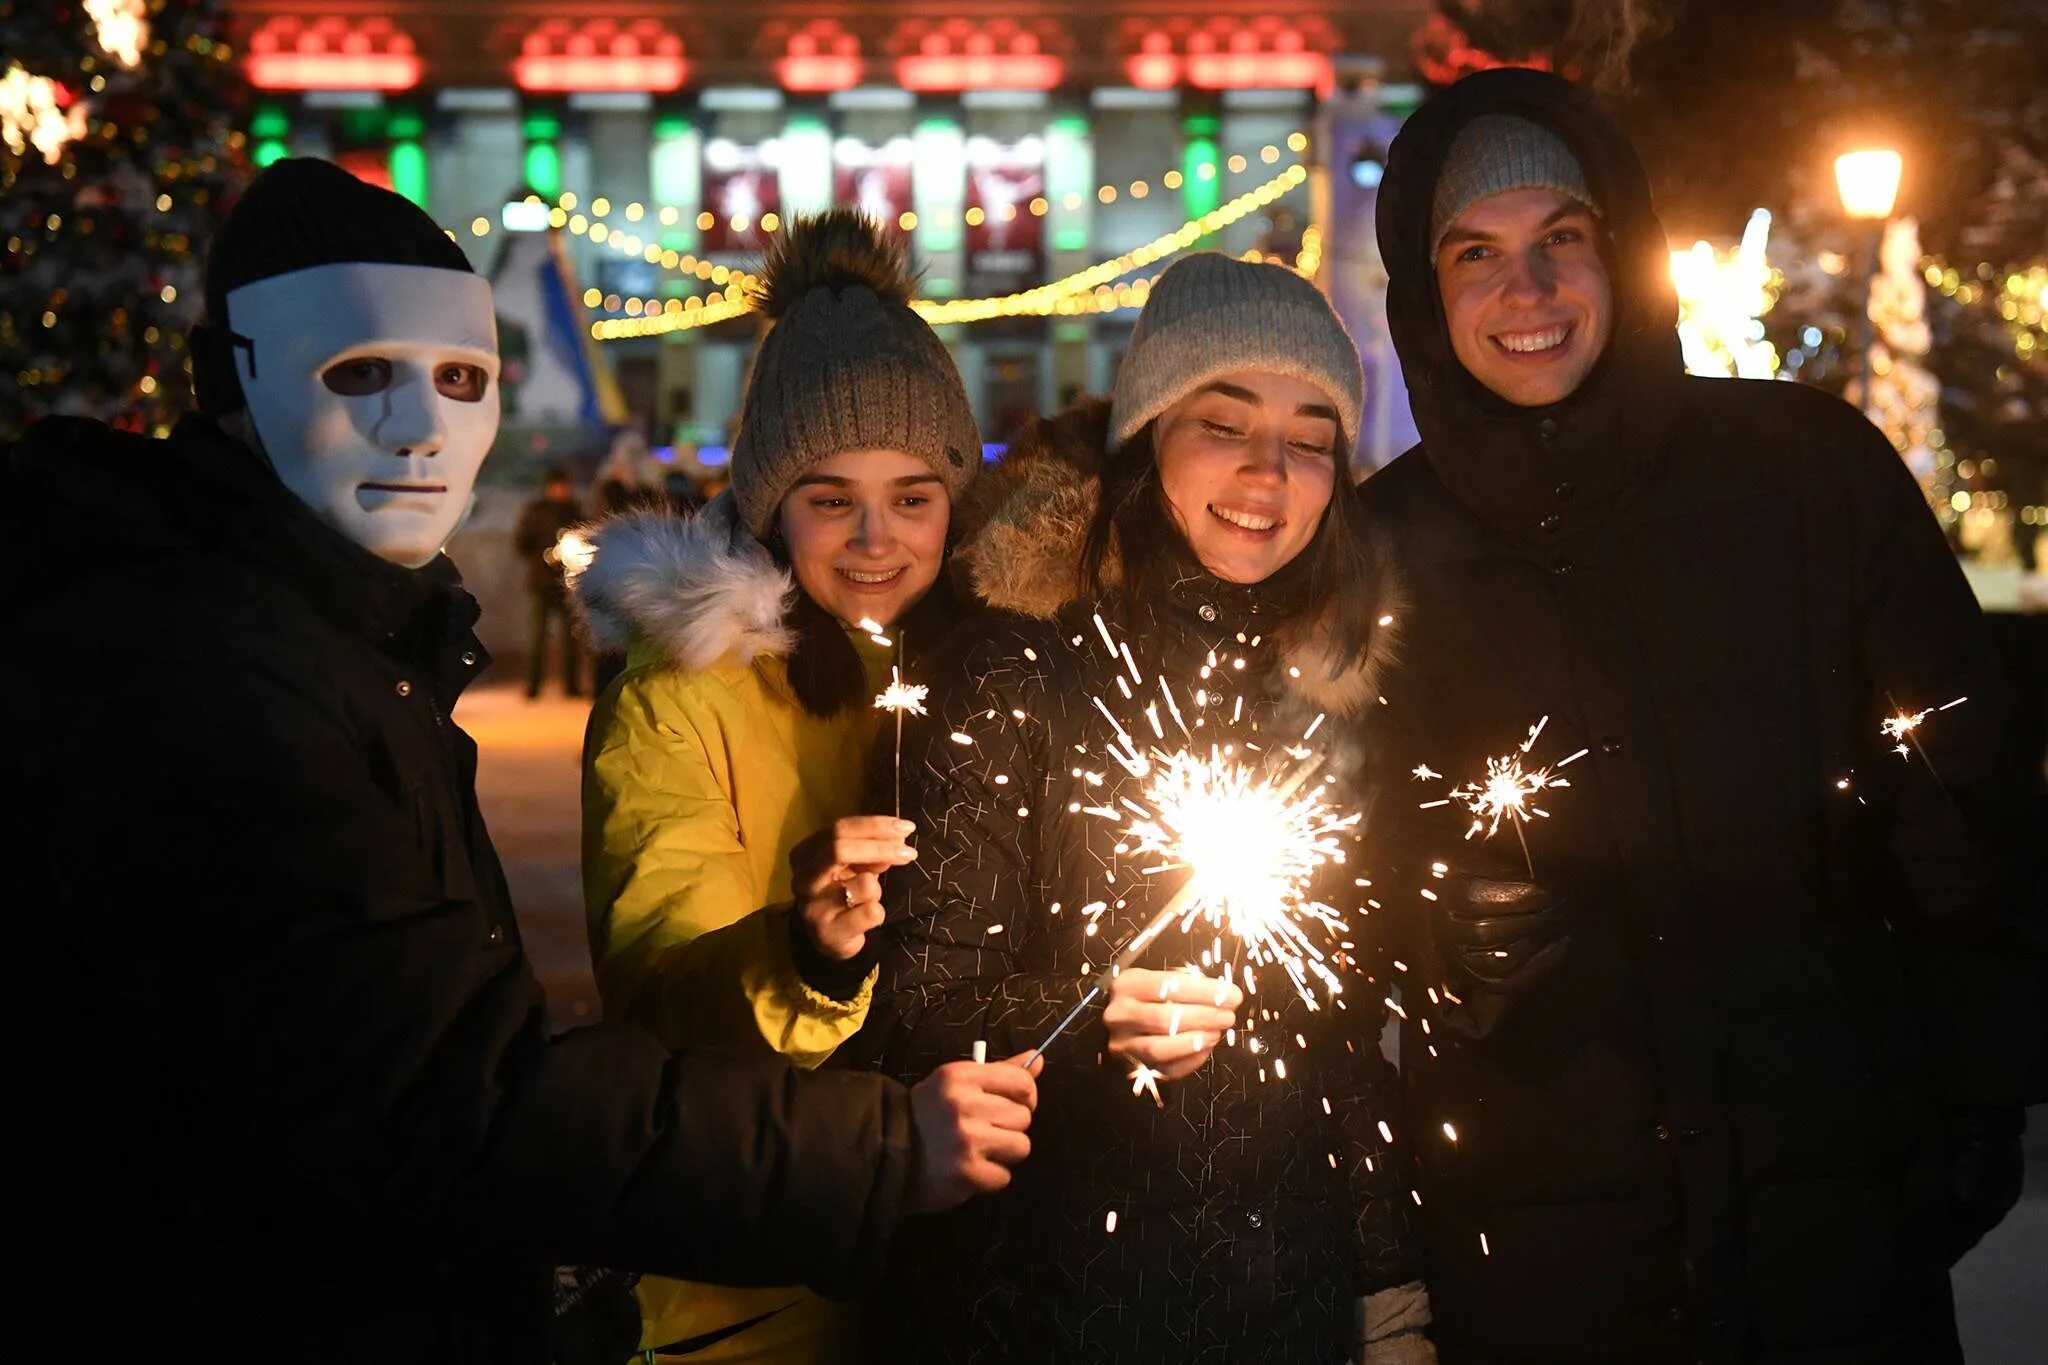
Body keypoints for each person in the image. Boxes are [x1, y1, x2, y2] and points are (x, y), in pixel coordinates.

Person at [1, 159, 1039, 1364]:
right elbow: (448, 1083)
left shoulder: (350, 638)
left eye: (459, 379)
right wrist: (846, 1083)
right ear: (229, 383)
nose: (418, 428)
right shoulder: (193, 664)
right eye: (359, 376)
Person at [1356, 69, 2046, 1364]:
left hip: (1829, 1234)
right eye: (1478, 253)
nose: (1532, 291)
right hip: (1551, 1267)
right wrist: (1433, 923)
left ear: (1622, 248)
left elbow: (1963, 793)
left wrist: (1976, 1105)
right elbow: (1320, 881)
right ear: (1423, 288)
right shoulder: (1376, 559)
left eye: (1563, 238)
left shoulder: (1805, 476)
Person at [853, 253, 1430, 1364]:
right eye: (1224, 423)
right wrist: (1089, 1019)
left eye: (1311, 439)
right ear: (1148, 432)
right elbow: (915, 1014)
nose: (1268, 472)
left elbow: (1344, 1041)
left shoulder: (1331, 700)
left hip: (1289, 1310)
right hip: (1054, 1308)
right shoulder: (1015, 678)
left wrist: (1388, 1283)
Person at [571, 209, 1005, 1362]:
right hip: (755, 1301)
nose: (876, 539)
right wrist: (800, 954)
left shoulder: (1003, 672)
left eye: (913, 495)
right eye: (830, 498)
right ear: (769, 500)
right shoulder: (682, 696)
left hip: (968, 1284)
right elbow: (658, 1011)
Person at [513, 463, 585, 698]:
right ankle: (533, 686)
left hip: (567, 584)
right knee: (538, 638)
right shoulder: (536, 512)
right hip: (541, 583)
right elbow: (521, 543)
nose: (560, 491)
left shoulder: (575, 512)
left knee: (571, 638)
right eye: (557, 486)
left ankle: (571, 686)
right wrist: (542, 556)